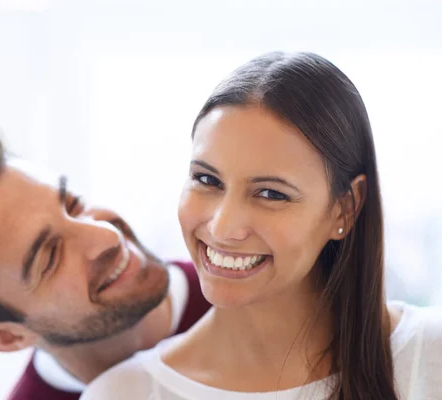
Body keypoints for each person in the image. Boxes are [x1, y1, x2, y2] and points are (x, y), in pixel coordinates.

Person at [81, 52, 442, 400]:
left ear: (344, 209)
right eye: (207, 180)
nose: (223, 228)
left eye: (270, 193)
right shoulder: (121, 394)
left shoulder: (430, 357)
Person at [0, 128, 212, 400]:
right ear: (7, 337)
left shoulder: (252, 291)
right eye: (51, 256)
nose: (106, 236)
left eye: (74, 204)